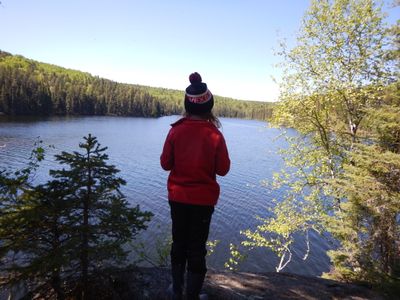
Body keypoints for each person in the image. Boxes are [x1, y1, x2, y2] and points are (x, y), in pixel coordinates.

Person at [160, 72, 230, 300]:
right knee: (197, 247)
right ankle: (191, 295)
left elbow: (165, 164)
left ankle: (176, 291)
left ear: (187, 106)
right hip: (203, 202)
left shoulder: (175, 130)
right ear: (209, 106)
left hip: (177, 198)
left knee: (178, 242)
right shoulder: (215, 135)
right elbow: (223, 169)